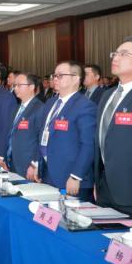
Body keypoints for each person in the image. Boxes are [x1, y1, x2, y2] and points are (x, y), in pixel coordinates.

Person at [95, 36, 132, 220]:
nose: (116, 58)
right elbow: (102, 141)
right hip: (105, 190)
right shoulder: (107, 95)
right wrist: (97, 180)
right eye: (115, 53)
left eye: (124, 54)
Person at [27, 61, 96, 200]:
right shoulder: (51, 103)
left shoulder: (85, 106)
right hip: (47, 173)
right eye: (54, 75)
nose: (55, 79)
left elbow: (88, 144)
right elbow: (42, 135)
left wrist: (76, 176)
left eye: (60, 75)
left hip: (70, 176)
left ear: (76, 78)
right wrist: (35, 163)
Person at [3, 73, 44, 176]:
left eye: (19, 85)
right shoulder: (17, 107)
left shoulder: (40, 108)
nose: (15, 88)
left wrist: (34, 163)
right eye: (14, 85)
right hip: (12, 161)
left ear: (31, 87)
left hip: (27, 164)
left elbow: (41, 140)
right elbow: (11, 134)